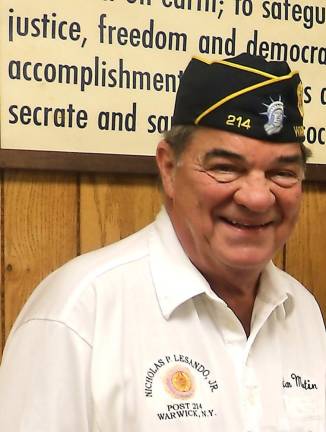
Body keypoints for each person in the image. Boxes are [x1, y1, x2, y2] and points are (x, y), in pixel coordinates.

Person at [0, 53, 325, 431]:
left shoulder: (301, 310)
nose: (257, 197)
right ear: (169, 168)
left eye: (282, 172)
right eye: (225, 168)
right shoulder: (79, 313)